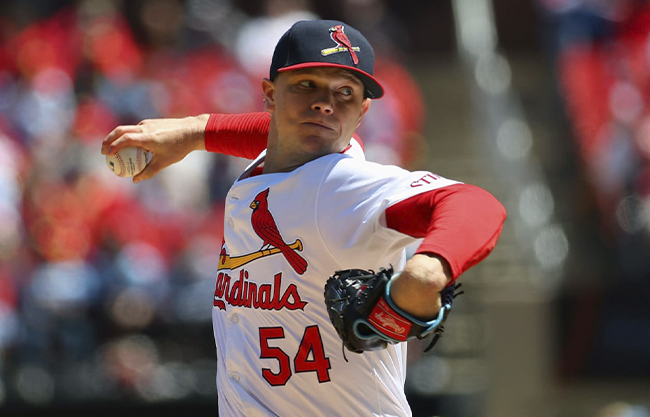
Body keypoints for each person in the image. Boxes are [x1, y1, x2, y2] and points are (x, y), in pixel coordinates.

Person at [102, 19, 506, 417]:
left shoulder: (344, 185)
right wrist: (195, 131)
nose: (326, 104)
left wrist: (427, 271)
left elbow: (474, 203)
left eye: (345, 93)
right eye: (306, 85)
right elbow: (276, 135)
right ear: (269, 94)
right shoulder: (280, 163)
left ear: (363, 111)